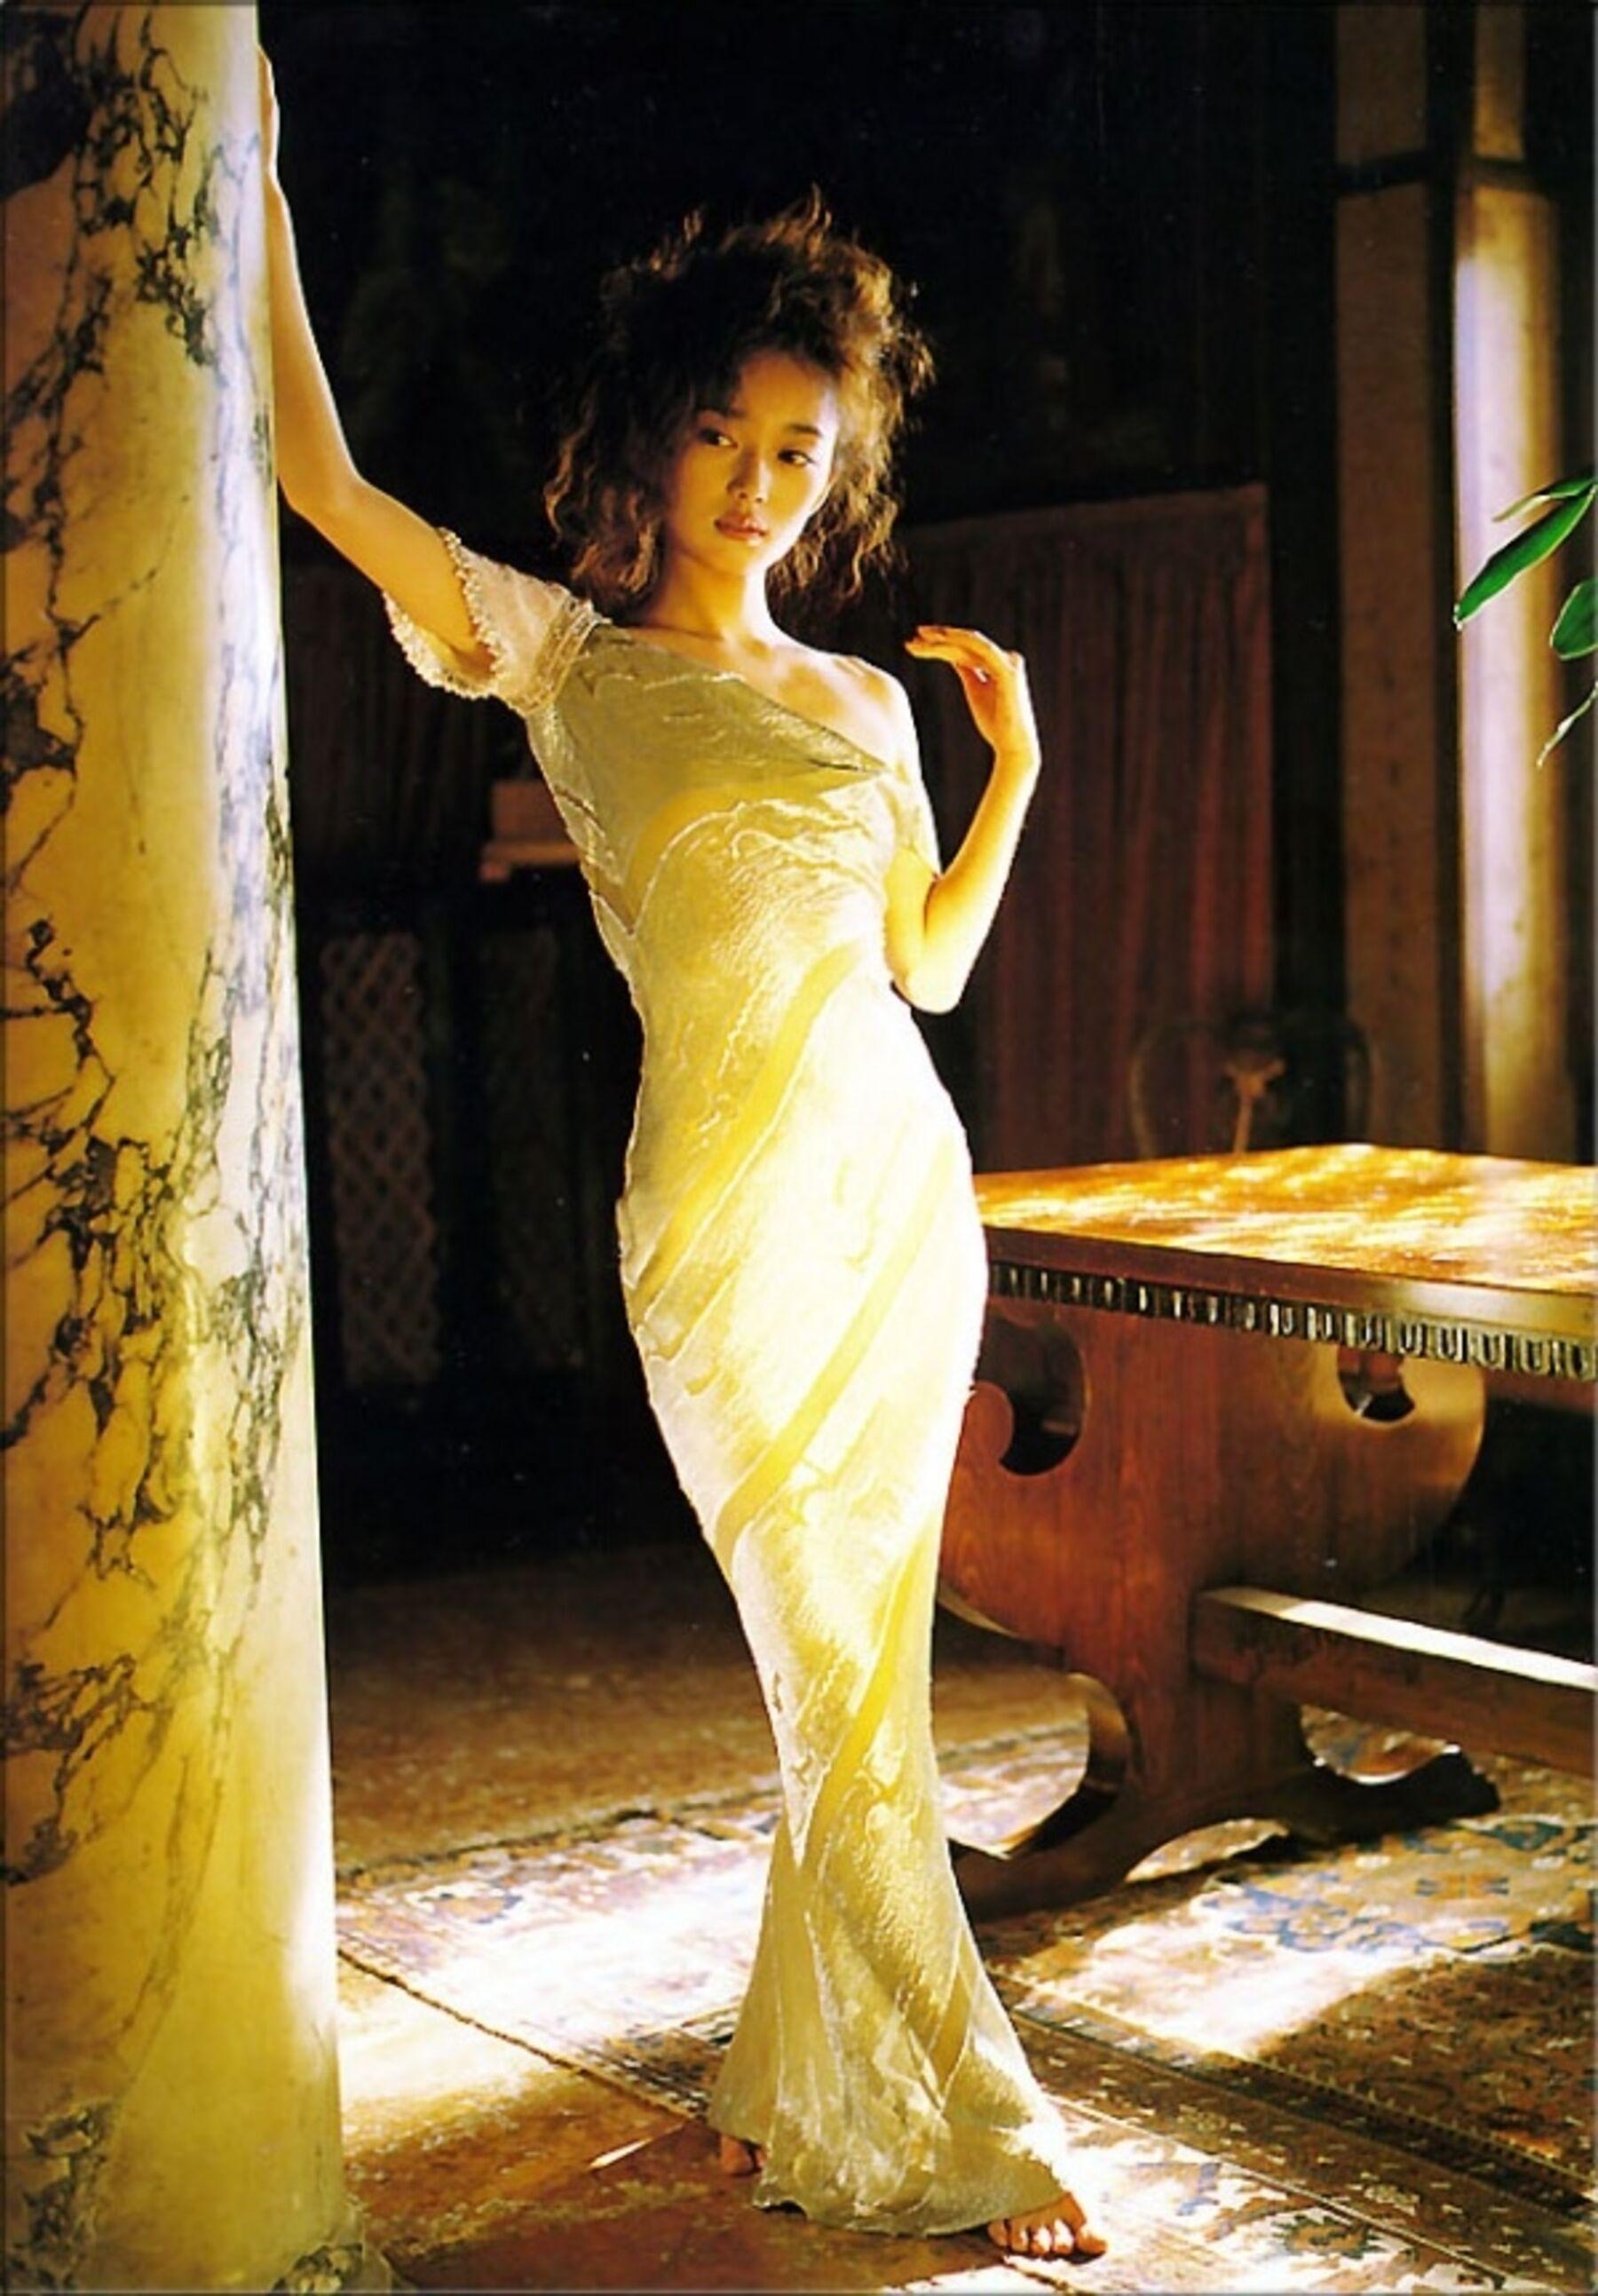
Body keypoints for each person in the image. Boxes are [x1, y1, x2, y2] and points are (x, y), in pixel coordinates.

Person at [258, 51, 1106, 2265]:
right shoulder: (558, 658)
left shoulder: (866, 702)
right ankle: (989, 2120)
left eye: (798, 452)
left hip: (895, 1206)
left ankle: (780, 2080)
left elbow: (927, 970)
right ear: (656, 434)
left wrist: (1013, 770)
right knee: (827, 1677)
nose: (757, 482)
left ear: (839, 477)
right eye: (726, 435)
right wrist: (251, 180)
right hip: (721, 1232)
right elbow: (315, 471)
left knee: (865, 1684)